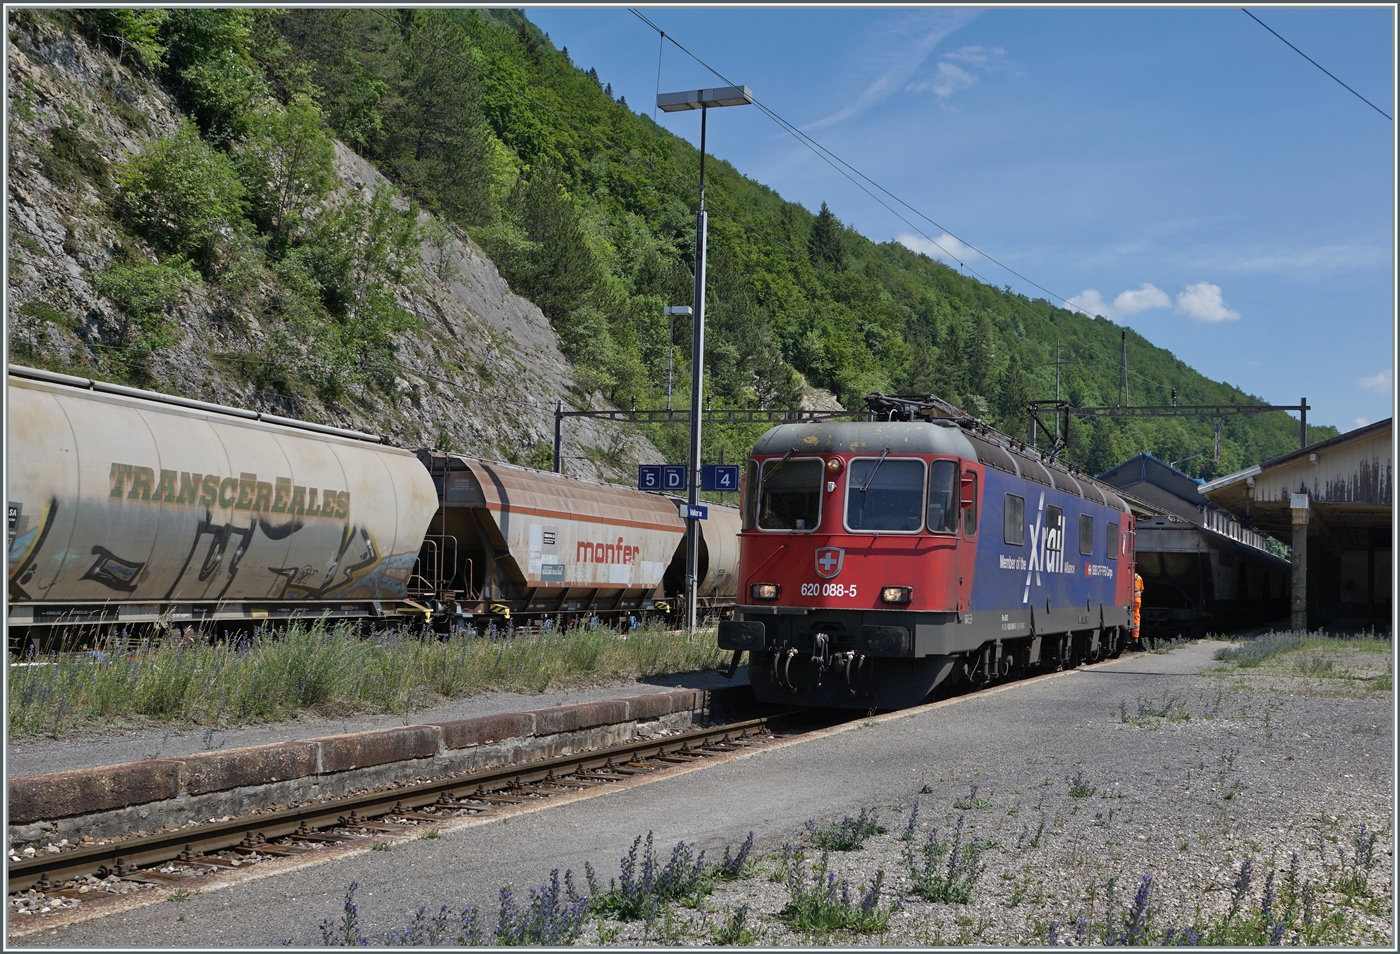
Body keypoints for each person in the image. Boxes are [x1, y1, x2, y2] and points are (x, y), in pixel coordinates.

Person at [1132, 571, 1145, 639]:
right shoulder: (1139, 578)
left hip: (1128, 600)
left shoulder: (1129, 576)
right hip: (1137, 600)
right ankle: (1135, 634)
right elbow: (1141, 590)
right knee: (1136, 615)